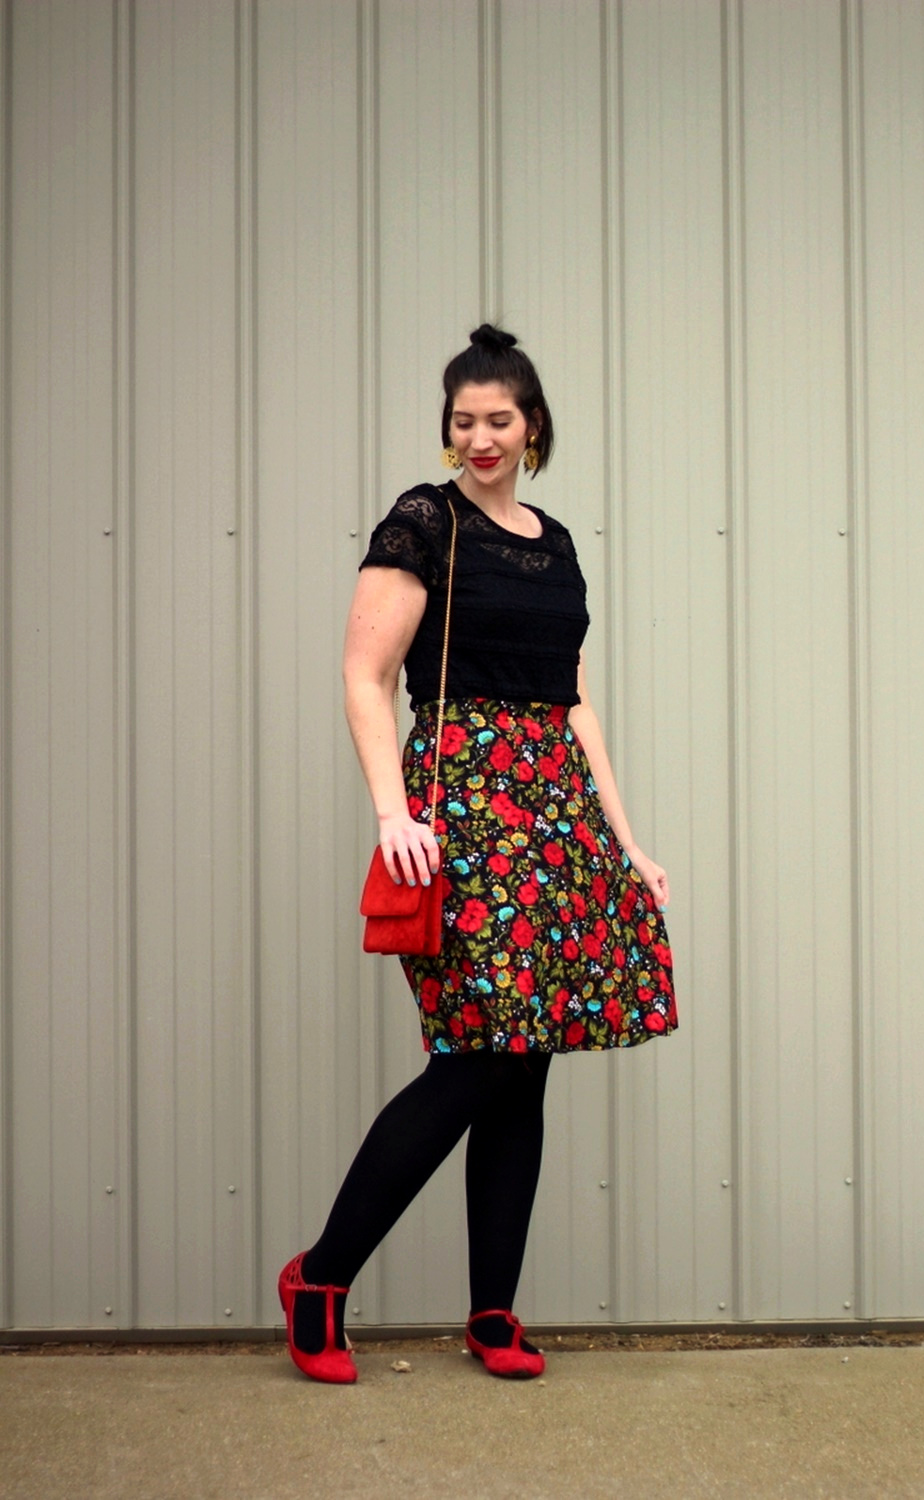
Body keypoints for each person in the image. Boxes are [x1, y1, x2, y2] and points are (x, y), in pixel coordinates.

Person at [278, 324, 676, 1384]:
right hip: (461, 809)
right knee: (474, 1058)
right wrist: (390, 810)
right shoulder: (424, 520)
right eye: (463, 422)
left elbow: (575, 700)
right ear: (446, 428)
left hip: (555, 814)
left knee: (522, 1070)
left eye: (498, 420)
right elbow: (366, 675)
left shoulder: (554, 543)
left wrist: (624, 839)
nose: (479, 438)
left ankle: (492, 1311)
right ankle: (320, 1276)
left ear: (531, 424)